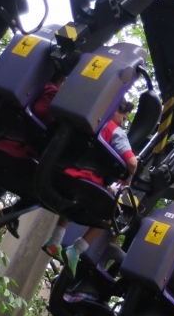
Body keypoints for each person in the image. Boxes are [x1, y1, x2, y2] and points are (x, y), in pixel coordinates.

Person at [44, 99, 138, 272]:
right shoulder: (116, 131)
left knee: (74, 198)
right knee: (113, 212)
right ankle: (77, 250)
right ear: (115, 110)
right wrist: (129, 176)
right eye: (123, 118)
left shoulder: (88, 118)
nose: (122, 123)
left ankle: (55, 240)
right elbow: (132, 163)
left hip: (61, 173)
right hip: (87, 182)